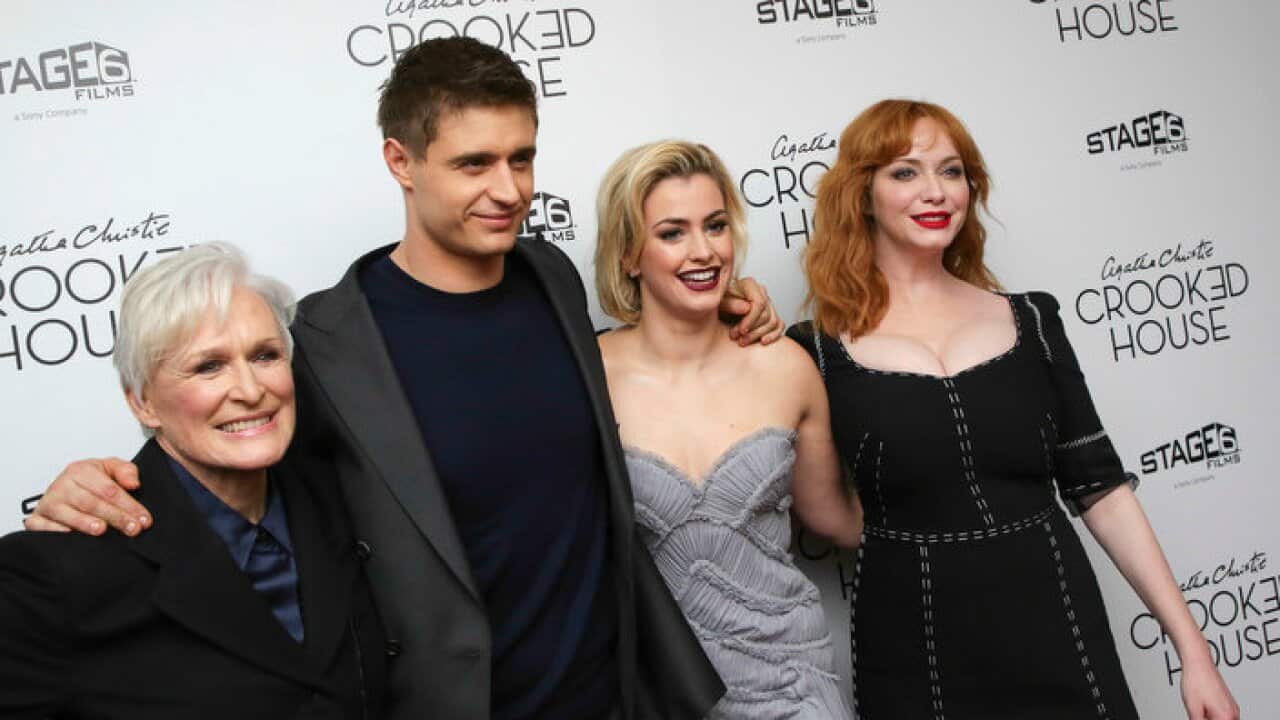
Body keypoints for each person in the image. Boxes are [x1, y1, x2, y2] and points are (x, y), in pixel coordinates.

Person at [24, 38, 786, 719]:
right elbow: (235, 457)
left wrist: (727, 308)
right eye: (473, 163)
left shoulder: (549, 276)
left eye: (521, 158)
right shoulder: (327, 341)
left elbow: (635, 359)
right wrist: (97, 487)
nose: (509, 189)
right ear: (401, 162)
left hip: (612, 691)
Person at [787, 99, 1238, 720]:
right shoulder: (810, 351)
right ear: (861, 195)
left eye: (952, 171)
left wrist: (1194, 652)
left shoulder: (1032, 319)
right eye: (905, 172)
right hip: (911, 636)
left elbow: (1102, 490)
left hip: (1054, 615)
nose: (935, 191)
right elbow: (829, 520)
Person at [0, 243, 387, 719]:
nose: (249, 391)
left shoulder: (343, 495)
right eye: (209, 366)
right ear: (142, 402)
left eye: (265, 356)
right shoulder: (53, 575)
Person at [594, 140, 862, 719]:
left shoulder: (784, 364)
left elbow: (836, 519)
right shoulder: (588, 381)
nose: (703, 251)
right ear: (628, 254)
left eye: (715, 226)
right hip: (661, 697)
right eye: (672, 233)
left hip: (794, 688)